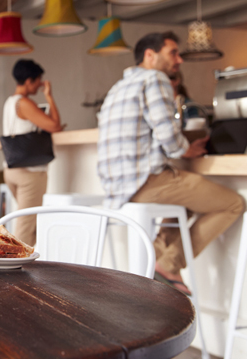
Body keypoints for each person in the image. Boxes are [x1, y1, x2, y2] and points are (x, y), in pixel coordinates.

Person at [97, 31, 245, 295]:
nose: (179, 59)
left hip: (117, 187)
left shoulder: (118, 87)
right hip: (144, 181)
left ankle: (155, 258)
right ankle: (169, 264)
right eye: (173, 53)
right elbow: (168, 136)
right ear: (150, 55)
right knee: (233, 203)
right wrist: (188, 149)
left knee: (186, 204)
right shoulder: (155, 78)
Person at [2, 59, 65, 246]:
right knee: (24, 231)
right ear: (29, 81)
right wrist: (49, 97)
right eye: (38, 80)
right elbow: (55, 126)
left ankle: (32, 266)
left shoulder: (9, 102)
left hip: (11, 170)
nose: (40, 85)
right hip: (29, 174)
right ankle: (13, 272)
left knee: (30, 225)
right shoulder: (25, 103)